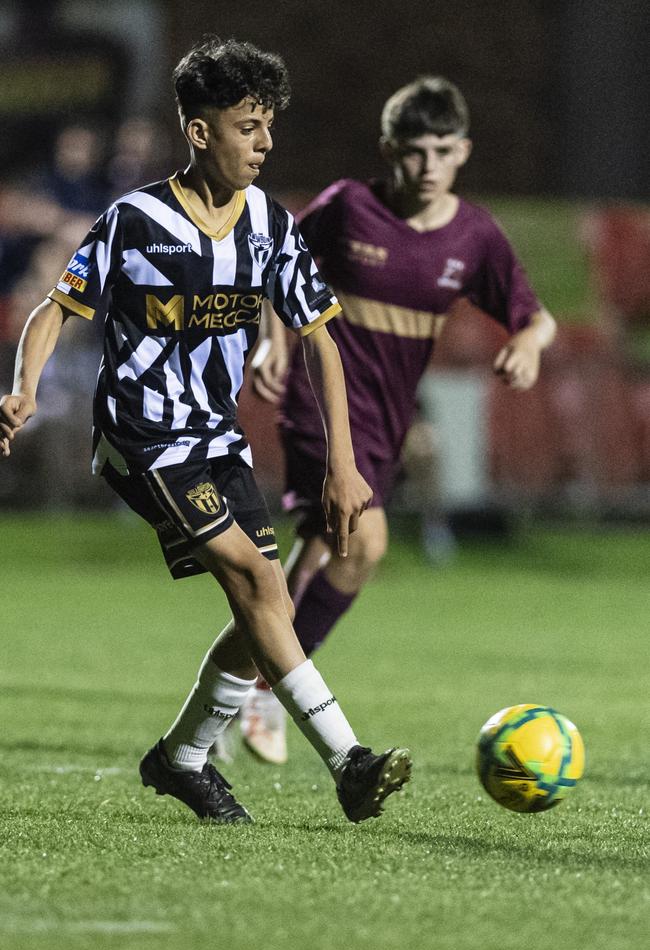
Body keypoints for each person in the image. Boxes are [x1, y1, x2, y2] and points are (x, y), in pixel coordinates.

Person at [0, 37, 413, 824]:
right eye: (249, 126)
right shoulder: (136, 220)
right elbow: (58, 307)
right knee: (260, 584)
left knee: (268, 611)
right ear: (200, 132)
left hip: (215, 437)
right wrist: (23, 388)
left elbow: (322, 337)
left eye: (269, 127)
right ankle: (350, 761)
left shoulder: (268, 223)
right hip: (142, 435)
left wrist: (343, 465)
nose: (265, 143)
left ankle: (181, 759)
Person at [238, 75, 557, 765]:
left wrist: (527, 344)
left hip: (385, 421)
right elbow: (276, 263)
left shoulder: (474, 236)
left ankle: (251, 682)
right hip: (319, 403)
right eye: (415, 151)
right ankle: (269, 687)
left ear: (464, 151)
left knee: (327, 551)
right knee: (366, 541)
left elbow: (536, 316)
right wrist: (272, 339)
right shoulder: (349, 207)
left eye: (444, 150)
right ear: (390, 149)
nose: (430, 165)